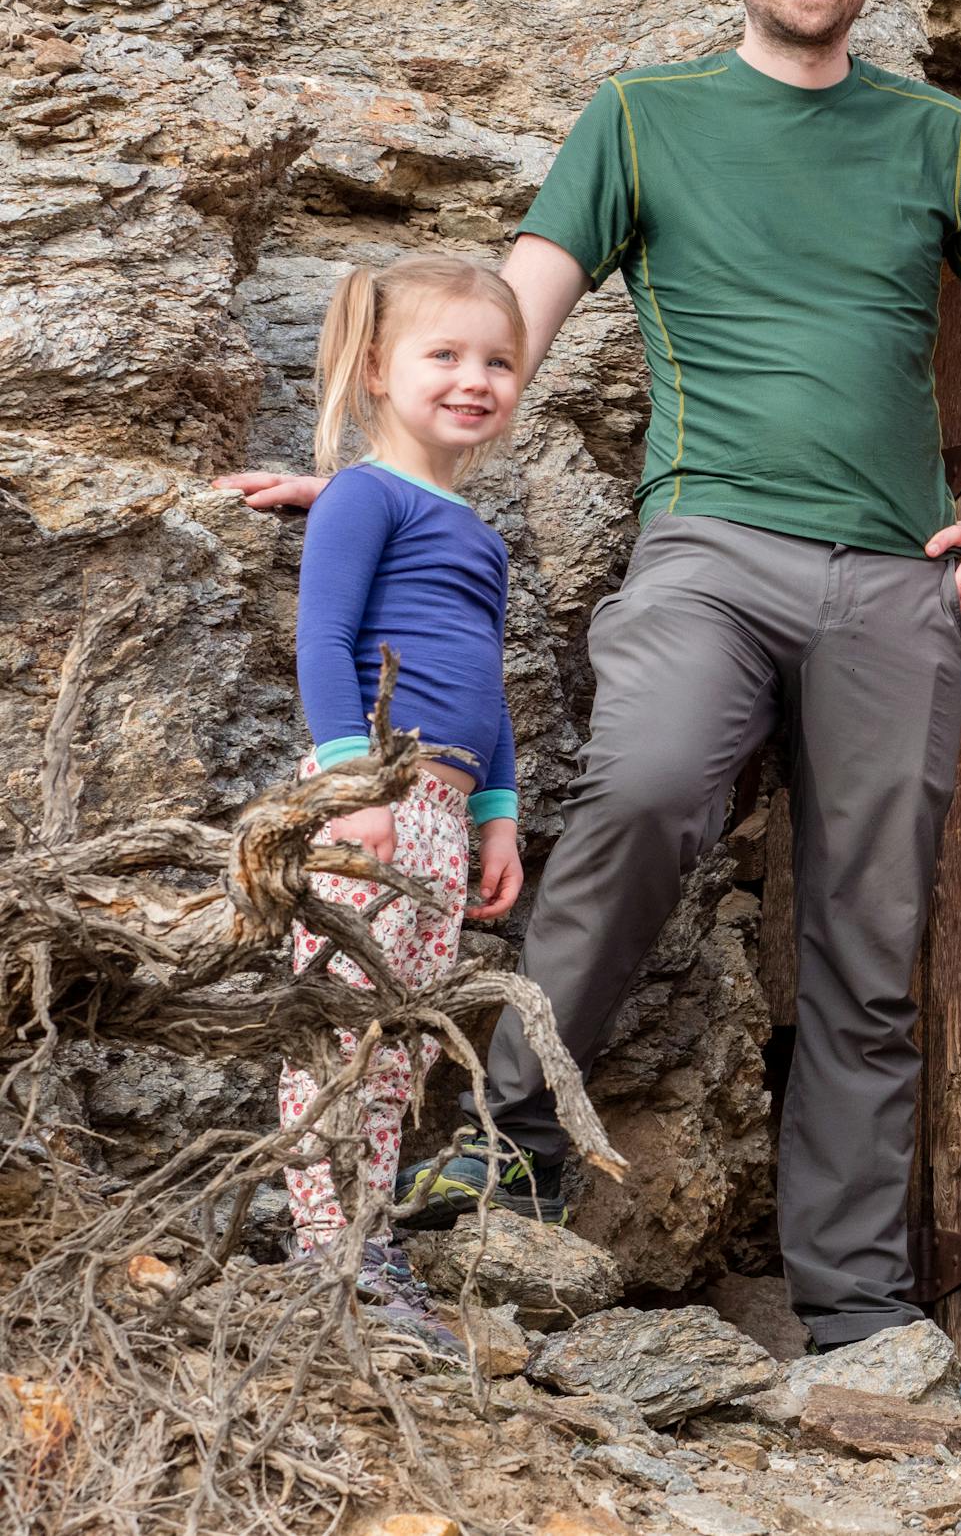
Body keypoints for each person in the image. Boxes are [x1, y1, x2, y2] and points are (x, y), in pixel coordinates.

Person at [220, 0, 961, 1393]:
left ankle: (856, 1306)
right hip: (705, 547)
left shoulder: (942, 138)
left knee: (873, 933)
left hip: (899, 579)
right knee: (638, 791)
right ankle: (494, 1161)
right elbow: (501, 326)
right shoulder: (640, 117)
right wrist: (381, 484)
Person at [279, 253, 531, 1353]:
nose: (474, 378)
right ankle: (328, 1254)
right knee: (341, 1031)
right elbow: (322, 639)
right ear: (377, 369)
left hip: (446, 802)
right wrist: (349, 785)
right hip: (373, 793)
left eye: (499, 362)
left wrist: (501, 812)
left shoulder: (478, 533)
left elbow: (487, 680)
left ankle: (364, 1238)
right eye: (446, 355)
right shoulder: (363, 494)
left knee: (404, 1039)